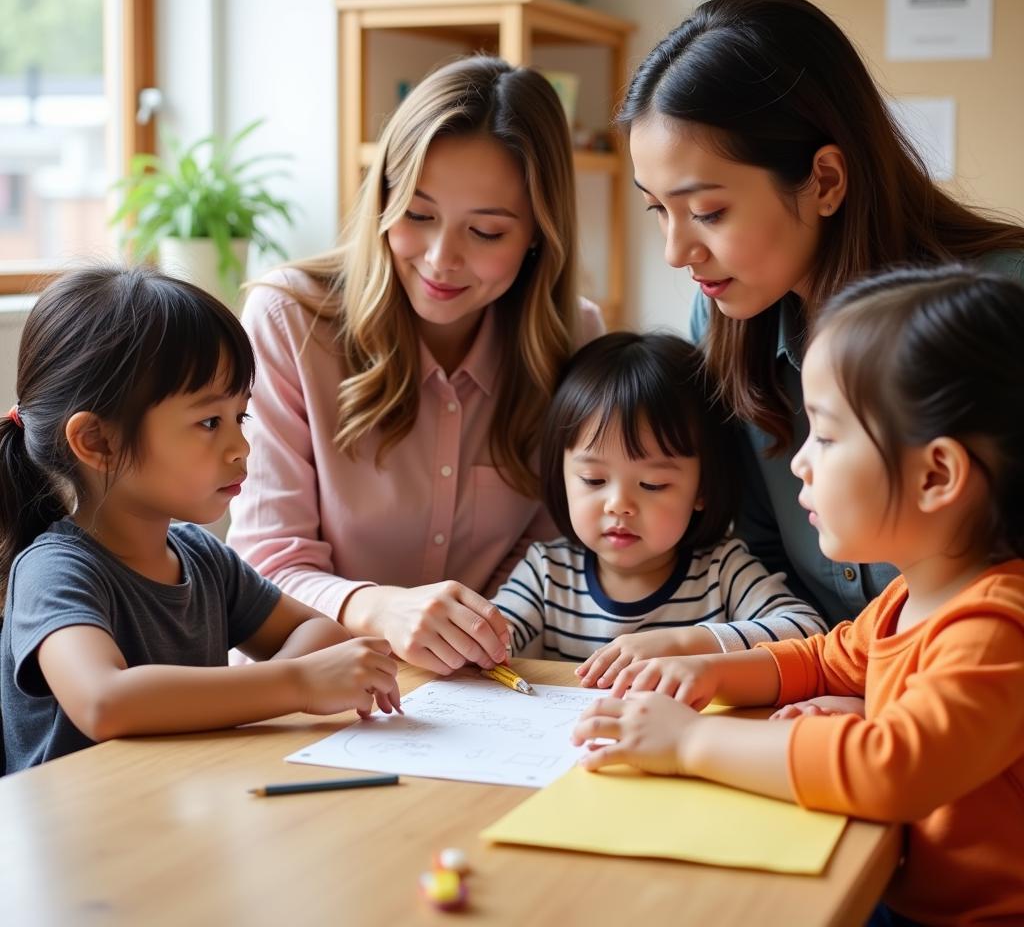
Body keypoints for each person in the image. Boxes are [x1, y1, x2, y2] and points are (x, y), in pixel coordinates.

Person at [572, 267, 1024, 926]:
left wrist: (690, 742)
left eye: (829, 436)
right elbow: (822, 659)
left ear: (936, 475)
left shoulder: (995, 625)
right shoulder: (914, 595)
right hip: (902, 892)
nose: (799, 462)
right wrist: (701, 671)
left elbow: (892, 768)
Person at [619, 0, 1024, 627]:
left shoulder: (1002, 306)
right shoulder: (726, 324)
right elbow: (762, 562)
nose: (676, 252)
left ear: (825, 181)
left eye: (707, 212)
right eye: (657, 210)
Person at [227, 55, 604, 676]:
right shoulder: (289, 320)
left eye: (485, 232)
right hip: (304, 685)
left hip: (482, 688)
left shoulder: (573, 339)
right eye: (418, 214)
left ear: (538, 234)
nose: (440, 258)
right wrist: (379, 610)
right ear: (381, 200)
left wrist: (479, 629)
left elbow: (550, 549)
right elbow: (264, 566)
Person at [0, 267, 401, 775]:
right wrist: (297, 684)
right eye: (210, 422)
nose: (240, 447)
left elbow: (319, 631)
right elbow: (104, 701)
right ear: (98, 442)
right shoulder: (54, 571)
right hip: (92, 837)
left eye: (241, 417)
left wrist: (268, 692)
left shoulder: (202, 556)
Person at [492, 331, 825, 680]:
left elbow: (808, 632)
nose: (619, 505)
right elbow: (492, 641)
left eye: (653, 484)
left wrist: (683, 643)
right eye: (593, 480)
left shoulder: (721, 571)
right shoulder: (547, 572)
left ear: (702, 488)